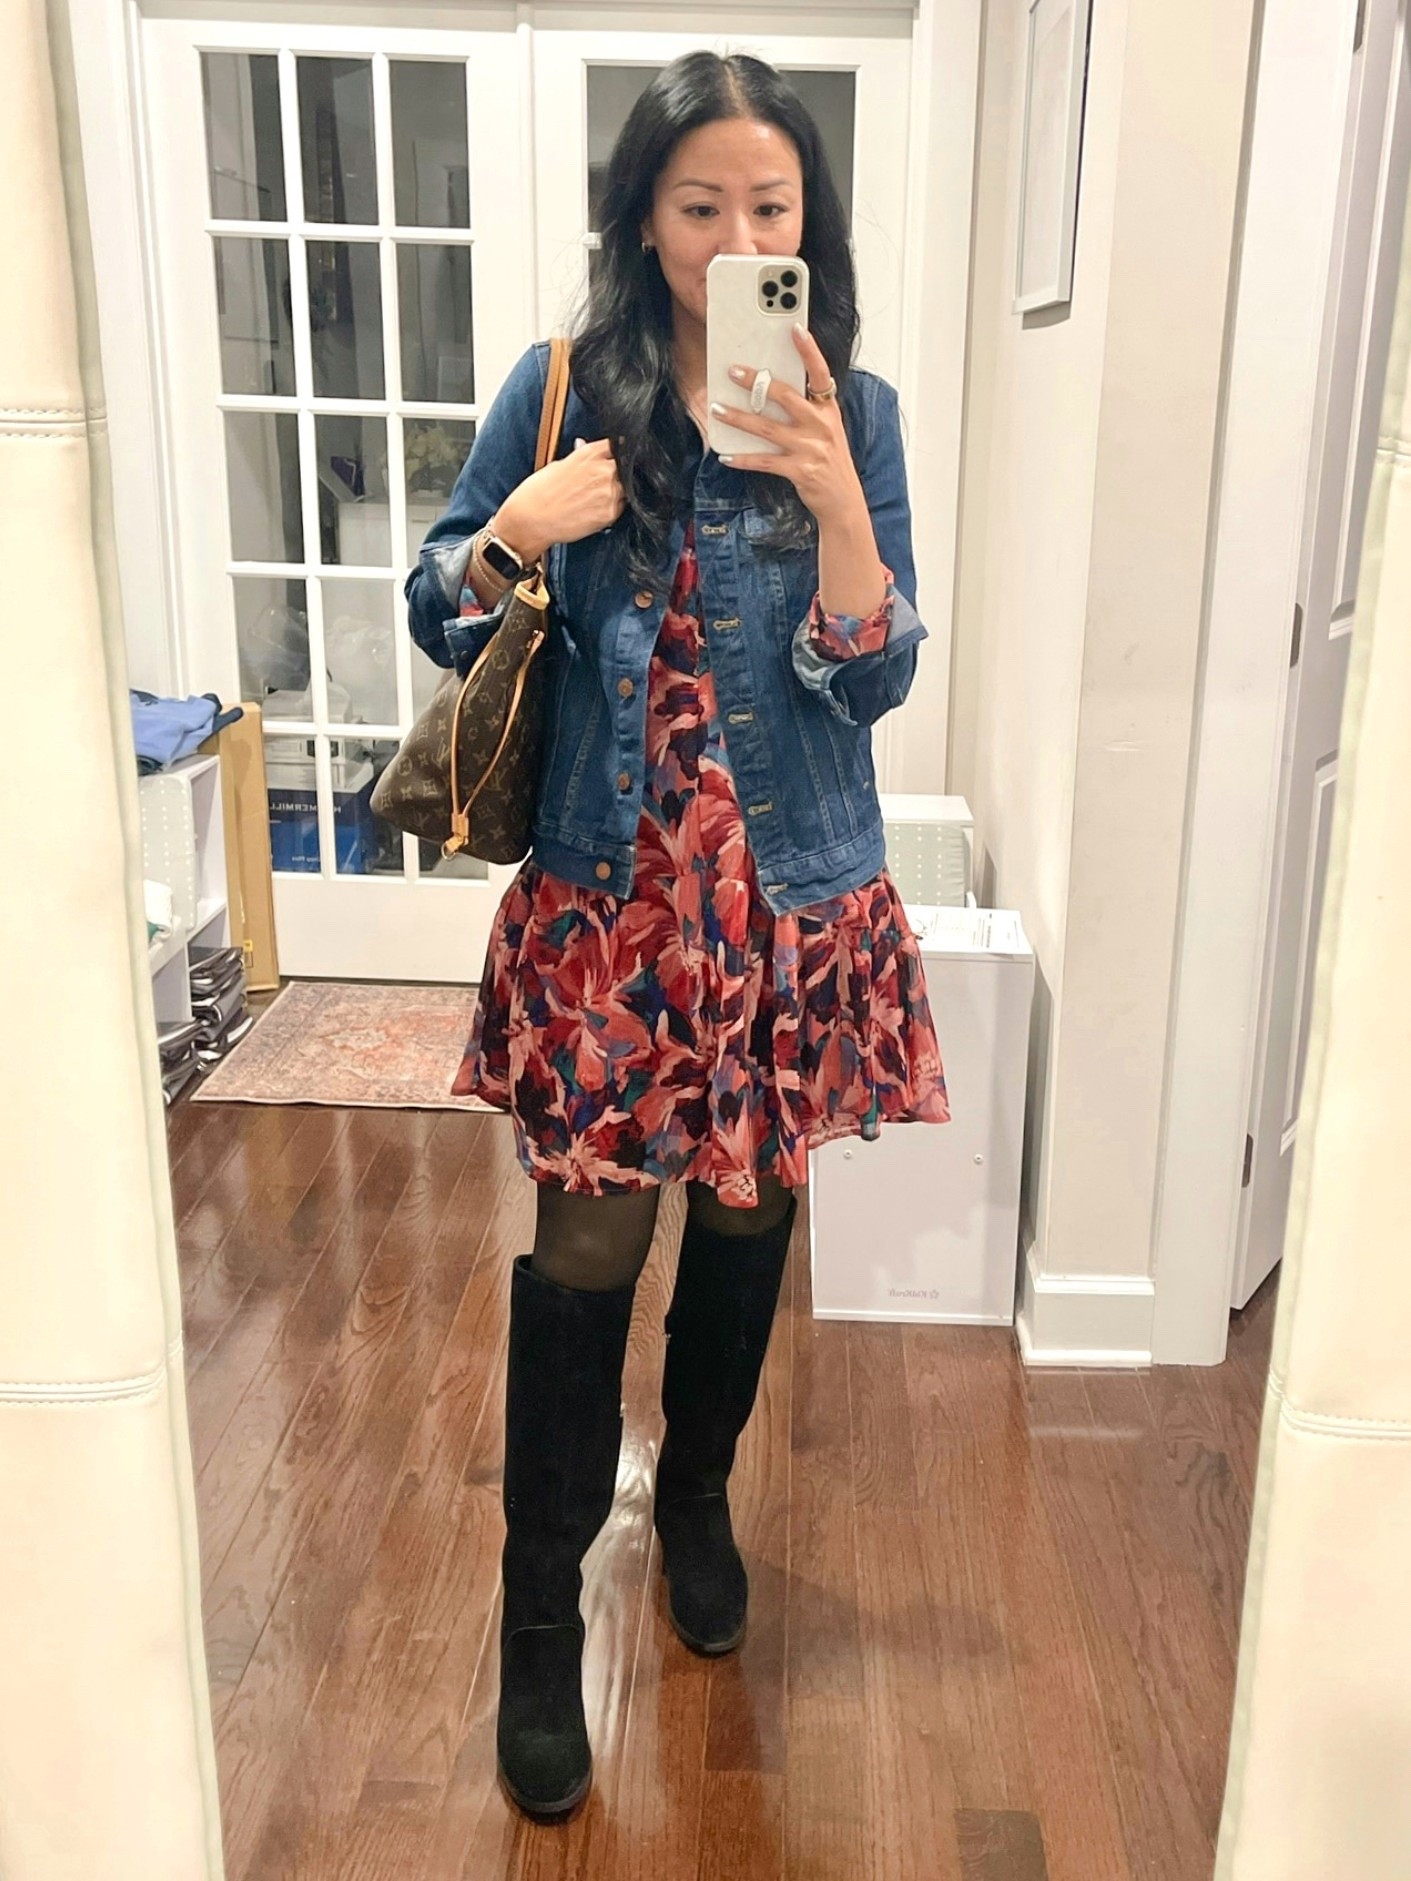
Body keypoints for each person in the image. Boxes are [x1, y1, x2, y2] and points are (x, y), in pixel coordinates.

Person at [404, 48, 950, 1822]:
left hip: (786, 906)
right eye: (699, 203)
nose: (732, 237)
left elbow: (871, 679)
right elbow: (437, 605)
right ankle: (539, 1617)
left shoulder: (852, 409)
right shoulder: (561, 383)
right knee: (584, 1243)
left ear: (806, 225)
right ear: (644, 215)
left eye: (765, 207)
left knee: (748, 1206)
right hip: (608, 904)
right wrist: (510, 532)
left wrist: (841, 501)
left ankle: (698, 1492)